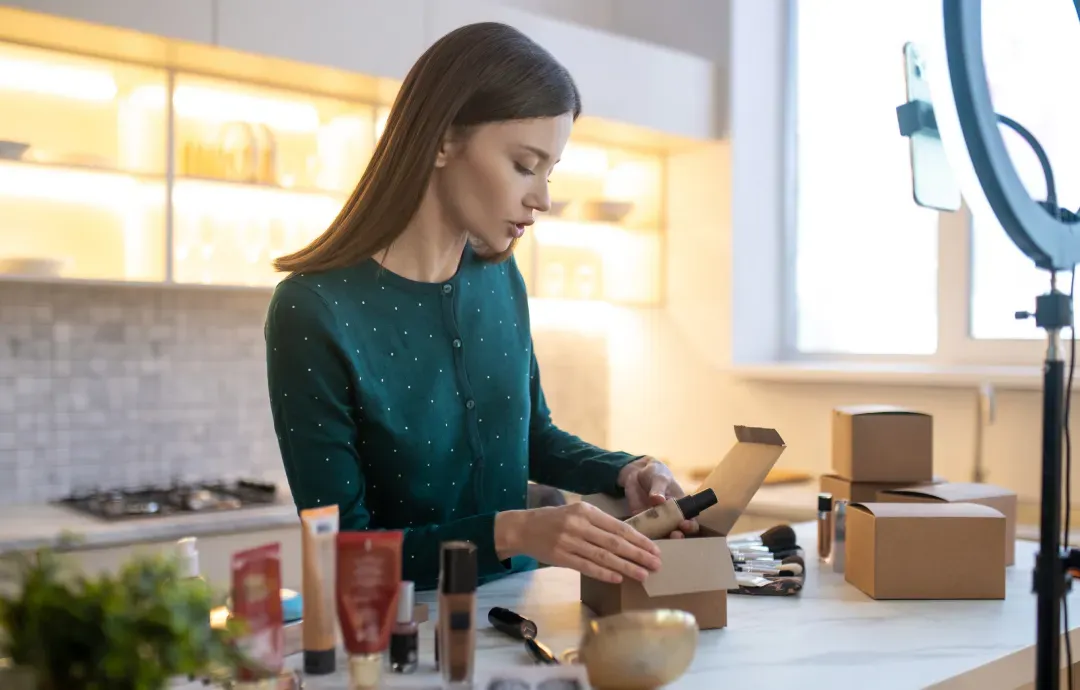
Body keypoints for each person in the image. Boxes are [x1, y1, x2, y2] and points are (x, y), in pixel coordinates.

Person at [264, 21, 697, 591]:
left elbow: (532, 438)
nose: (542, 198)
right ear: (444, 140)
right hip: (402, 627)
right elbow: (344, 553)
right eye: (524, 165)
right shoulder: (312, 310)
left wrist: (626, 470)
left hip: (520, 609)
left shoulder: (499, 276)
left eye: (549, 172)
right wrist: (512, 532)